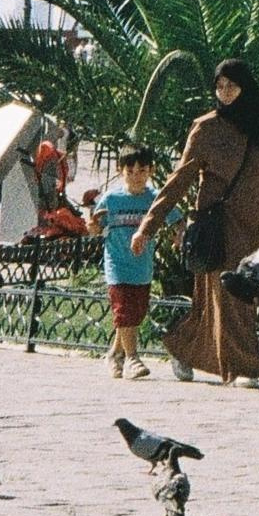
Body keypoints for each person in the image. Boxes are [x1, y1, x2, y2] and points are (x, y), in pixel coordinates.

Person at [136, 61, 259, 388]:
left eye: (231, 86)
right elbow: (179, 180)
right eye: (219, 87)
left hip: (254, 226)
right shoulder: (206, 128)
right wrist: (148, 226)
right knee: (233, 293)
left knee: (231, 297)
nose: (225, 93)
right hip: (218, 226)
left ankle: (183, 347)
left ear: (246, 87)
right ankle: (246, 366)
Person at [91, 143, 159, 380]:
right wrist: (92, 226)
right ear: (121, 171)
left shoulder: (154, 199)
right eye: (130, 171)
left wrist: (180, 233)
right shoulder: (111, 199)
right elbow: (95, 226)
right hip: (117, 264)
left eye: (142, 171)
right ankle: (132, 358)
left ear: (151, 170)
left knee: (135, 313)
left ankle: (114, 353)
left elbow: (173, 218)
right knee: (124, 311)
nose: (136, 176)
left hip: (142, 267)